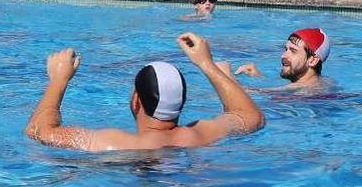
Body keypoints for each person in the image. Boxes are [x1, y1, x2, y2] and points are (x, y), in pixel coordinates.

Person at [25, 32, 265, 151]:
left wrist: (58, 80)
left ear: (136, 101)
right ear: (182, 101)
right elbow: (251, 117)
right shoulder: (201, 135)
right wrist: (206, 64)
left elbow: (38, 131)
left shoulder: (114, 144)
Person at [225, 28, 331, 90]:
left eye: (293, 51)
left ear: (312, 60)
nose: (284, 55)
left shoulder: (302, 90)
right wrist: (259, 77)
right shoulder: (324, 83)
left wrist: (225, 75)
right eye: (286, 49)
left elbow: (242, 94)